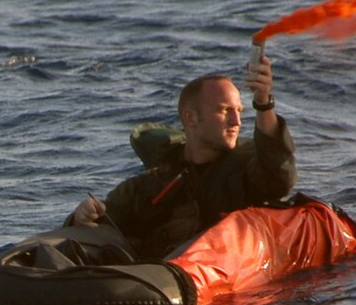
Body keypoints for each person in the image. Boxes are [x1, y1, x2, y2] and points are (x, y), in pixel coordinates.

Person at [69, 49, 295, 260]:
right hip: (155, 283)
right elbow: (104, 219)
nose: (236, 122)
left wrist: (263, 104)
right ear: (191, 118)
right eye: (224, 111)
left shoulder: (247, 169)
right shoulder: (156, 180)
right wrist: (82, 215)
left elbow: (279, 179)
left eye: (239, 111)